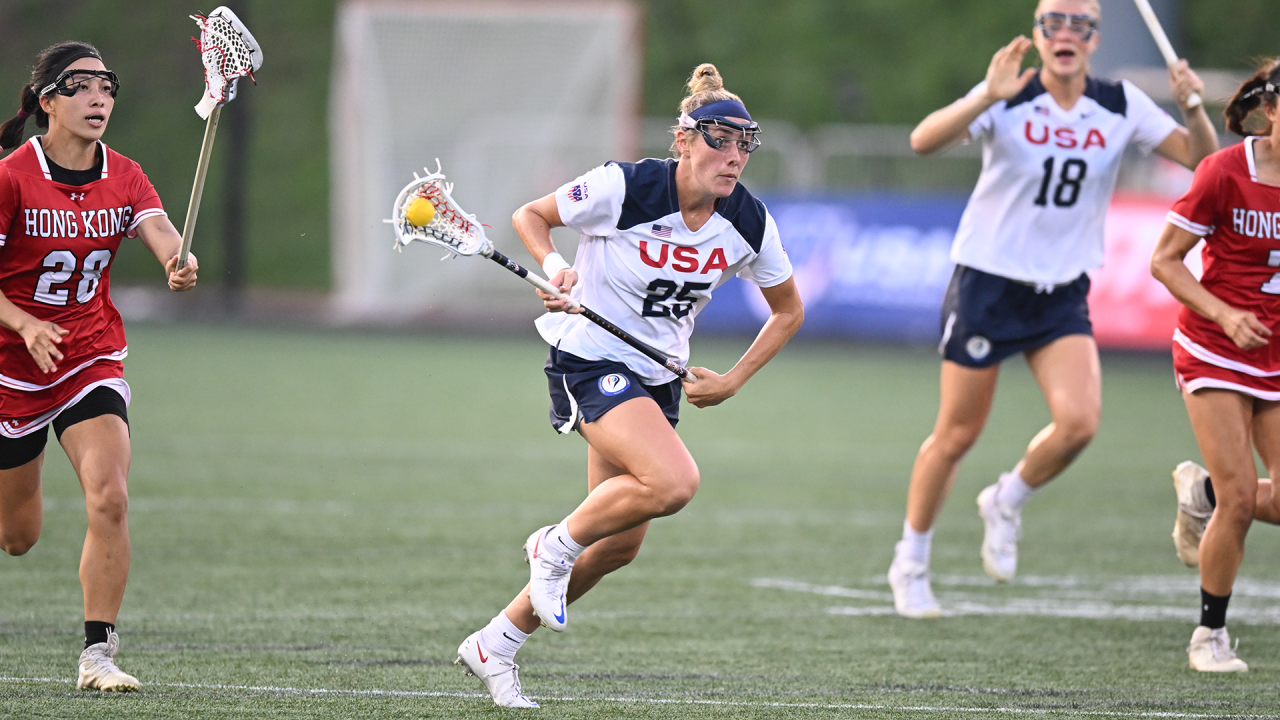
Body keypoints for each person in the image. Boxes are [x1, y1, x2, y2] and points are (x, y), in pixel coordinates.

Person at [453, 63, 803, 707]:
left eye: (744, 144)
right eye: (719, 141)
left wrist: (732, 380)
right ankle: (552, 544)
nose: (733, 158)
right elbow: (531, 215)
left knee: (617, 546)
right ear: (684, 140)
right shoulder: (625, 186)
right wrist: (556, 267)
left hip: (655, 380)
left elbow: (788, 310)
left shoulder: (749, 222)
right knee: (674, 484)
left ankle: (494, 644)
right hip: (589, 360)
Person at [888, 0, 1219, 618]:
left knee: (1079, 423)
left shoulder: (1118, 103)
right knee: (957, 432)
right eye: (1053, 23)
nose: (1065, 34)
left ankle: (1006, 499)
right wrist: (984, 97)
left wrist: (1195, 106)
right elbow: (922, 140)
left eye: (1079, 25)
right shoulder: (1008, 93)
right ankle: (911, 559)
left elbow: (1202, 161)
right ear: (1038, 34)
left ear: (1095, 37)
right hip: (989, 282)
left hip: (1061, 289)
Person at [0, 42, 198, 691]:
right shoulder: (11, 177)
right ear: (46, 101)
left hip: (89, 357)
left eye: (107, 88)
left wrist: (178, 261)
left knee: (109, 498)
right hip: (12, 370)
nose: (98, 99)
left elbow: (161, 229)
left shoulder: (126, 174)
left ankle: (98, 657)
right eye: (81, 87)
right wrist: (26, 324)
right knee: (18, 538)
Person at [1151, 58, 1280, 673]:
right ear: (1271, 109)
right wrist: (1226, 314)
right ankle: (1210, 636)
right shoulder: (1224, 172)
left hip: (1277, 357)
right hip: (1215, 348)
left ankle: (1197, 490)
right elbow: (1166, 262)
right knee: (1238, 500)